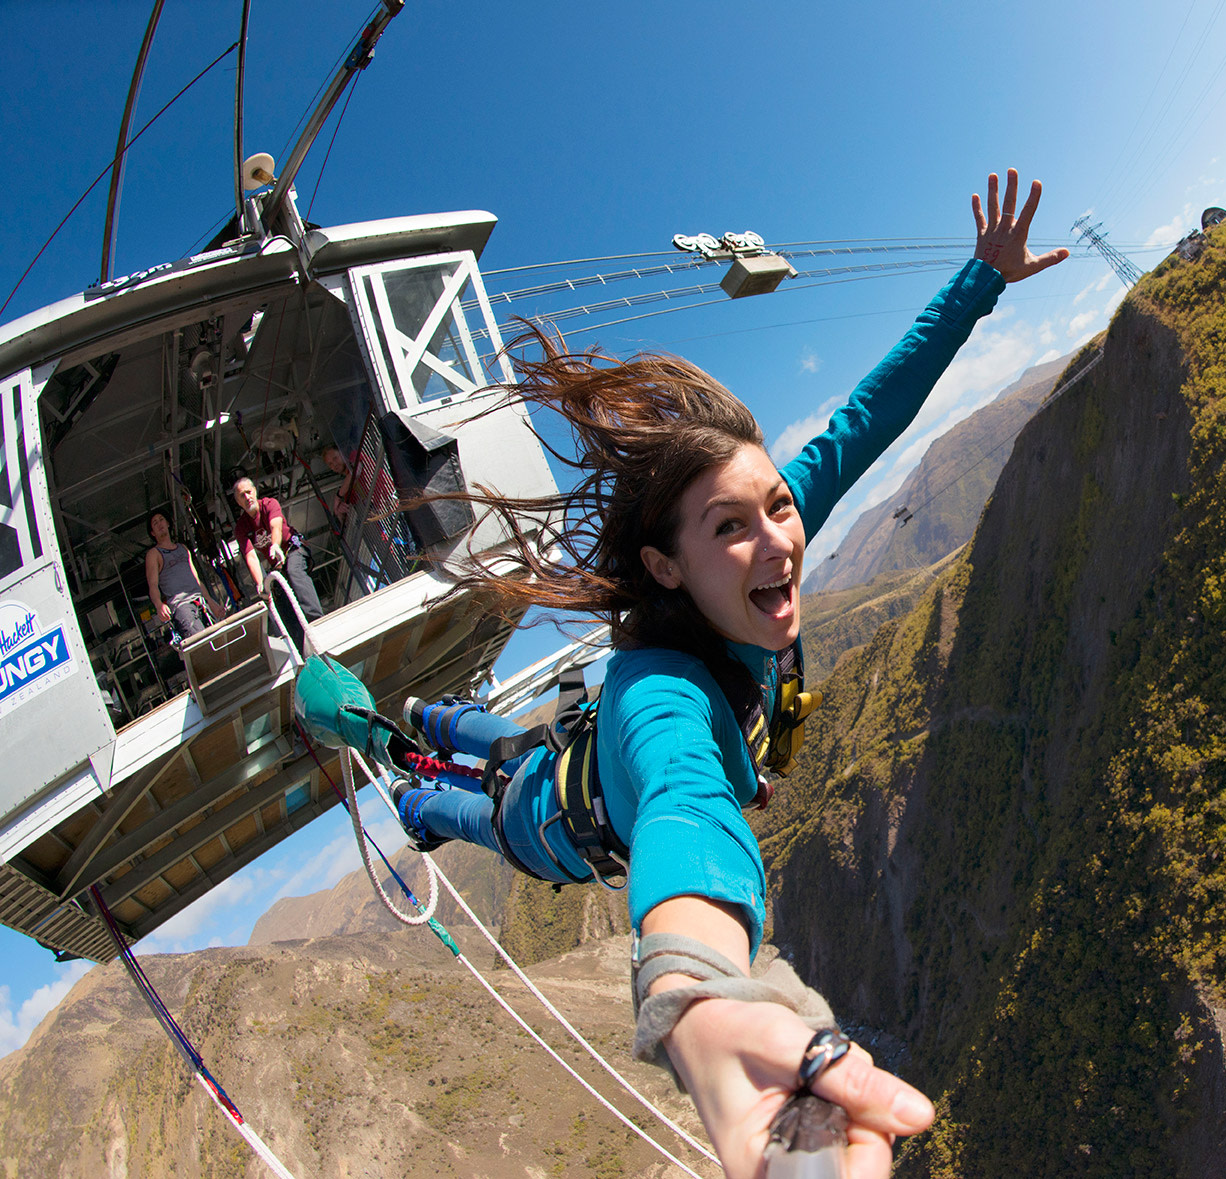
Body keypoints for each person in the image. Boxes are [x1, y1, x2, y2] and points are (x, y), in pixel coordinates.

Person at [325, 171, 1065, 1178]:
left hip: (570, 750)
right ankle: (407, 770)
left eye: (777, 507)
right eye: (731, 527)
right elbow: (680, 803)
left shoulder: (758, 541)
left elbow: (868, 414)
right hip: (550, 822)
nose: (778, 542)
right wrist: (701, 991)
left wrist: (977, 283)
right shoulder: (659, 694)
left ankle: (434, 724)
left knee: (493, 740)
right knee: (461, 804)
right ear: (666, 566)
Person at [232, 475, 324, 643]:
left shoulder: (269, 504)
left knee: (294, 571)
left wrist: (275, 544)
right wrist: (260, 583)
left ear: (255, 491)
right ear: (238, 502)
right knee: (276, 595)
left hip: (293, 549)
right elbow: (250, 555)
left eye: (248, 492)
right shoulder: (241, 527)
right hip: (278, 564)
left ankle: (316, 621)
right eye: (241, 496)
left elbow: (276, 525)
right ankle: (298, 641)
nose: (247, 497)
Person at [144, 510, 221, 642]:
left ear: (168, 523)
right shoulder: (154, 554)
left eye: (161, 519)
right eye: (155, 523)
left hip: (201, 602)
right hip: (182, 607)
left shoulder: (183, 548)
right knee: (202, 644)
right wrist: (158, 605)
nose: (159, 524)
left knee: (218, 641)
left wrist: (210, 601)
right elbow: (153, 585)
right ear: (152, 533)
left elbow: (197, 579)